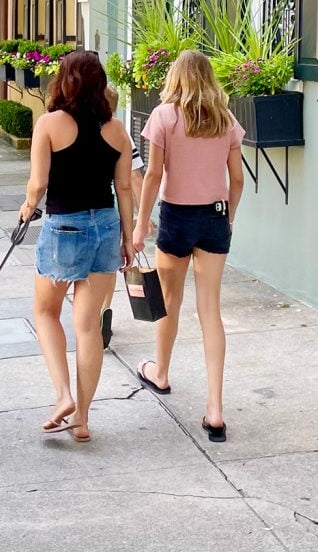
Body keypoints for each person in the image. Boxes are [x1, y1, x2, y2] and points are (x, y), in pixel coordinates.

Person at [20, 51, 135, 444]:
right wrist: (128, 237)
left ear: (64, 82)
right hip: (105, 226)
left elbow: (38, 183)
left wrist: (26, 208)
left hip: (64, 227)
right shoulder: (117, 130)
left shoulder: (49, 123)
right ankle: (82, 419)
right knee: (88, 329)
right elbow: (124, 188)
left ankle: (63, 395)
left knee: (46, 311)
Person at [131, 50, 245, 443]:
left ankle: (160, 372)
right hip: (214, 216)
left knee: (168, 300)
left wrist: (141, 223)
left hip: (177, 216)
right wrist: (227, 216)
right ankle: (215, 409)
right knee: (210, 310)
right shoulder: (226, 120)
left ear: (176, 78)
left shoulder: (164, 117)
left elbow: (154, 173)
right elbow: (238, 179)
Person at [99, 85, 154, 349]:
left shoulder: (74, 127)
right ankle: (104, 309)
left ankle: (90, 313)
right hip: (110, 210)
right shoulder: (120, 133)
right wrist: (143, 215)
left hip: (79, 210)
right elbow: (132, 178)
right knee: (109, 265)